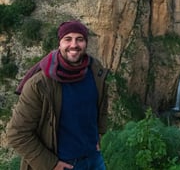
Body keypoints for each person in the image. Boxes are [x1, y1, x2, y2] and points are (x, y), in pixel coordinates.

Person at [6, 20, 109, 170]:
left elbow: (100, 105)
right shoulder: (39, 84)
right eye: (68, 39)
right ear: (59, 43)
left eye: (79, 39)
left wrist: (99, 133)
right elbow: (16, 133)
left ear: (86, 43)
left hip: (94, 158)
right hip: (64, 164)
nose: (74, 45)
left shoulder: (94, 70)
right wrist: (51, 164)